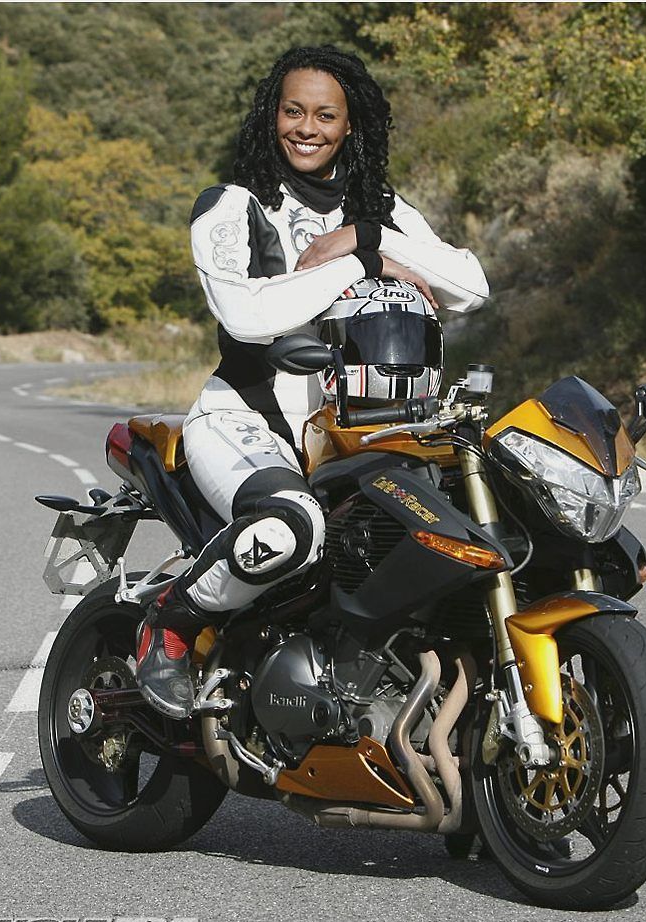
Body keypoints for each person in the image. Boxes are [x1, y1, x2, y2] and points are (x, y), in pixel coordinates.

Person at [135, 45, 490, 719]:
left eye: (326, 115)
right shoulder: (230, 206)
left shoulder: (380, 209)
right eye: (292, 111)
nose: (307, 128)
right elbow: (245, 315)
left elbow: (471, 286)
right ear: (271, 114)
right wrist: (362, 264)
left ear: (350, 125)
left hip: (359, 433)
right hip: (247, 421)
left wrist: (369, 236)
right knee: (292, 528)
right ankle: (171, 623)